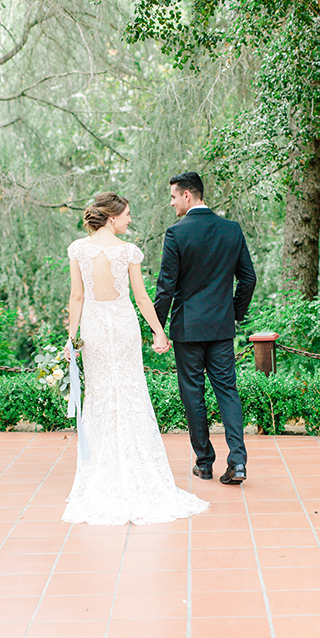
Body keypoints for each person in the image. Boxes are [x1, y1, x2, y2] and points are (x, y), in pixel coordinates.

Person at [62, 192, 209, 526]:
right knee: (129, 392)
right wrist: (159, 331)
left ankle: (101, 475)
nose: (130, 219)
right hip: (124, 326)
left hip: (95, 329)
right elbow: (142, 297)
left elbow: (77, 296)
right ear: (112, 218)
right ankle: (137, 470)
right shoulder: (128, 252)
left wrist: (72, 339)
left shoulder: (78, 249)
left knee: (100, 394)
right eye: (127, 214)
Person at [155, 172, 256, 485]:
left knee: (193, 394)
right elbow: (248, 278)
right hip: (222, 328)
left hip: (187, 329)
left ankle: (204, 462)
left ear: (188, 195)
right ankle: (237, 463)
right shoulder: (231, 230)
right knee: (227, 391)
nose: (171, 203)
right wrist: (234, 313)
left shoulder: (176, 234)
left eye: (173, 196)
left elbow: (166, 288)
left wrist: (157, 326)